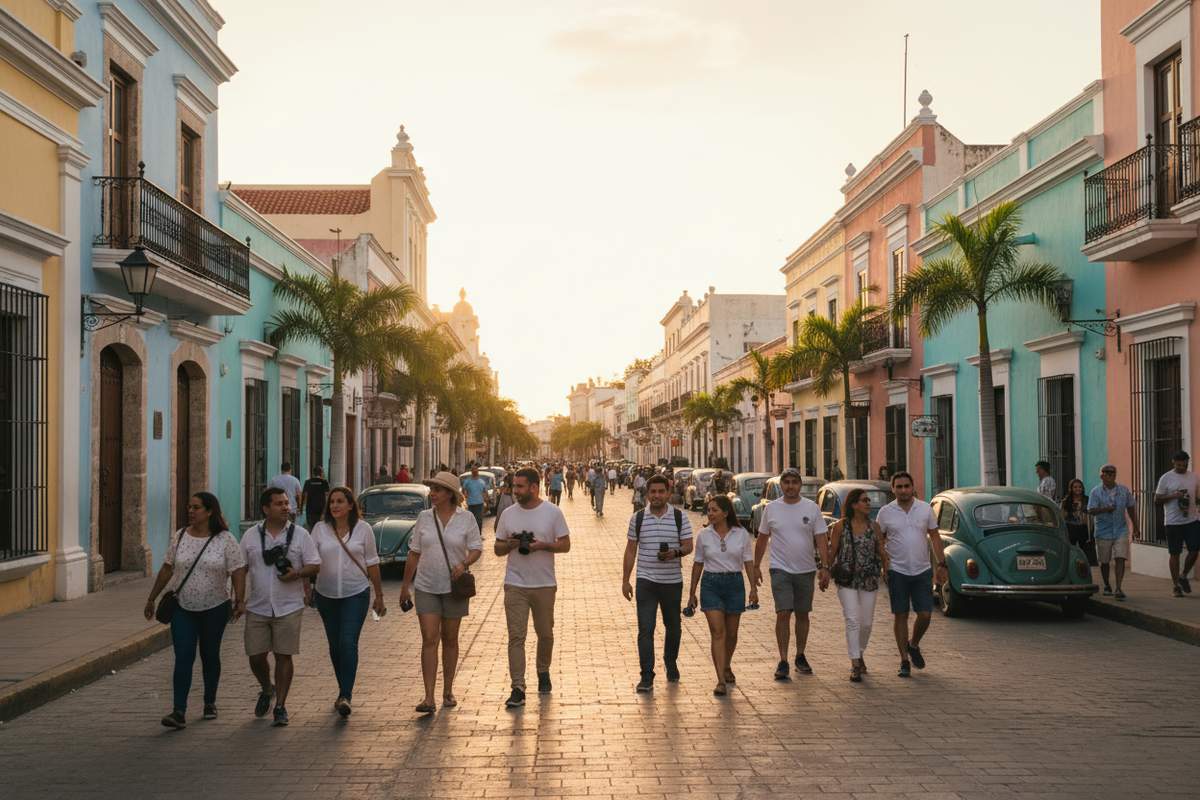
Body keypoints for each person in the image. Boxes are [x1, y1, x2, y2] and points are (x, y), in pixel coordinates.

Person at [144, 492, 247, 729]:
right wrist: (152, 598)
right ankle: (178, 710)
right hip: (183, 607)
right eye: (189, 507)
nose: (191, 511)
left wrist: (239, 600)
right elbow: (168, 568)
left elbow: (238, 570)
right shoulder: (180, 536)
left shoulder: (225, 539)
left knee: (210, 655)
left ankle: (209, 701)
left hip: (215, 607)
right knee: (183, 656)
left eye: (196, 507)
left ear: (210, 511)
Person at [400, 471, 483, 714]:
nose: (432, 494)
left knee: (450, 639)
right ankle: (428, 697)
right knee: (429, 638)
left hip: (454, 588)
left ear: (450, 494)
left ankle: (447, 690)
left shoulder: (466, 518)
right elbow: (414, 552)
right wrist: (405, 586)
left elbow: (476, 548)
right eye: (432, 489)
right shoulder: (424, 518)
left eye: (437, 490)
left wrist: (464, 563)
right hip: (426, 585)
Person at [241, 487, 321, 727]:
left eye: (287, 503)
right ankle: (267, 688)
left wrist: (296, 574)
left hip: (289, 606)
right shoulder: (251, 536)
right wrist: (236, 598)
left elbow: (315, 565)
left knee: (284, 655)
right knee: (255, 656)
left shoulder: (300, 535)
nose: (286, 507)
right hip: (257, 605)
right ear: (266, 508)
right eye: (279, 504)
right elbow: (239, 568)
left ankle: (281, 706)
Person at [495, 467, 571, 708]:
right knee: (516, 637)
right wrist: (510, 543)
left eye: (519, 486)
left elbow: (565, 545)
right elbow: (497, 549)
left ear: (534, 487)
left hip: (544, 585)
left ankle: (543, 670)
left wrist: (543, 546)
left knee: (545, 634)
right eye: (514, 486)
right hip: (515, 584)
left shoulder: (553, 513)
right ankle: (517, 686)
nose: (515, 490)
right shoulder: (508, 514)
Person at [310, 487, 386, 718]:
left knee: (348, 642)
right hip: (326, 596)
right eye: (331, 501)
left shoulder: (364, 530)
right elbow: (311, 560)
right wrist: (305, 586)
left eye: (340, 501)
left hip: (356, 593)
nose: (335, 505)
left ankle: (345, 695)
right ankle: (342, 689)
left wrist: (380, 595)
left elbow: (372, 562)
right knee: (335, 646)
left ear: (351, 505)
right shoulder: (319, 529)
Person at [753, 468, 831, 680]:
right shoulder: (772, 509)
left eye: (793, 482)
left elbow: (821, 539)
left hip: (806, 570)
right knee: (783, 612)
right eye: (786, 482)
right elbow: (762, 538)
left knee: (803, 613)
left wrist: (825, 567)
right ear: (781, 485)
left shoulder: (812, 508)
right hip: (780, 569)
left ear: (800, 485)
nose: (790, 486)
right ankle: (783, 659)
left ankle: (800, 655)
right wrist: (755, 566)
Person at [622, 475, 694, 692]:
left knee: (673, 627)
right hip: (646, 581)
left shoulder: (680, 517)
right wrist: (625, 580)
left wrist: (675, 553)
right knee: (645, 628)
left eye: (661, 492)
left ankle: (670, 661)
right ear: (647, 494)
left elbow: (689, 545)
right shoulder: (638, 518)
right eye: (653, 492)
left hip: (672, 582)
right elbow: (631, 549)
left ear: (668, 494)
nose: (657, 496)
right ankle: (646, 675)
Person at [876, 472, 947, 678]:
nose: (903, 490)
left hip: (922, 570)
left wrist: (941, 564)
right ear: (893, 489)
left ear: (912, 487)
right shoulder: (885, 512)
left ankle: (913, 644)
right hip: (897, 571)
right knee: (901, 615)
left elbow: (934, 536)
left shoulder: (925, 509)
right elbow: (880, 539)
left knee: (925, 614)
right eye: (899, 487)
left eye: (906, 486)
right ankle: (904, 660)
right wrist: (884, 563)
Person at [687, 494, 757, 697]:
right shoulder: (704, 535)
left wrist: (753, 588)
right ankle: (720, 680)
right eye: (709, 510)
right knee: (718, 632)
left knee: (732, 633)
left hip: (735, 584)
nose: (710, 513)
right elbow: (698, 563)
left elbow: (748, 562)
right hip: (711, 584)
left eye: (714, 510)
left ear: (726, 513)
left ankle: (726, 665)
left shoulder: (741, 533)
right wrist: (692, 593)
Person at [828, 488, 887, 682]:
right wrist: (824, 570)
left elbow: (881, 551)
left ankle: (860, 651)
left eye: (868, 500)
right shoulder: (840, 526)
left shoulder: (875, 527)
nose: (868, 503)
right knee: (852, 619)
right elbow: (832, 550)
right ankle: (855, 663)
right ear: (854, 505)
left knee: (867, 623)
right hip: (847, 580)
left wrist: (887, 570)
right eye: (864, 500)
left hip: (869, 579)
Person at [1088, 464, 1139, 599]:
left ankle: (1118, 587)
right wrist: (1105, 509)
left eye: (1113, 473)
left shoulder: (1123, 490)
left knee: (1120, 557)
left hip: (1120, 529)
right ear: (1102, 475)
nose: (1111, 475)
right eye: (1108, 473)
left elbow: (1131, 508)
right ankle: (1106, 584)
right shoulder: (1095, 492)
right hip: (1103, 531)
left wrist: (1136, 527)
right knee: (1104, 561)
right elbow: (1090, 510)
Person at [1155, 451, 1200, 598]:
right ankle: (1176, 586)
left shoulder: (1194, 477)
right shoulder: (1166, 478)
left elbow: (1197, 498)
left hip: (1192, 519)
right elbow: (1157, 500)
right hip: (1173, 522)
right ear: (1173, 463)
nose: (1182, 467)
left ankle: (1183, 575)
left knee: (1195, 549)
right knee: (1175, 553)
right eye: (1179, 465)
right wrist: (1173, 496)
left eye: (1184, 464)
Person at [1061, 479, 1095, 565]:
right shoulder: (1066, 500)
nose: (1078, 489)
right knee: (1070, 550)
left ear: (1083, 488)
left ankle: (1084, 568)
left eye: (1080, 487)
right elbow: (1062, 516)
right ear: (1071, 488)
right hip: (1070, 527)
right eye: (1075, 487)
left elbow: (1090, 516)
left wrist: (1090, 530)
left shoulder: (1087, 500)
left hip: (1083, 528)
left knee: (1085, 551)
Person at [300, 466, 330, 532]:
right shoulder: (324, 482)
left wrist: (301, 508)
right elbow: (328, 496)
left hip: (310, 508)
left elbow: (303, 495)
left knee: (311, 527)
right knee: (320, 527)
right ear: (321, 473)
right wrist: (327, 509)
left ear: (313, 473)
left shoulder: (308, 482)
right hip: (321, 508)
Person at [462, 466, 487, 532]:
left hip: (479, 504)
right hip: (470, 504)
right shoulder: (467, 481)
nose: (475, 472)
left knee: (479, 520)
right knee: (470, 520)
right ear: (472, 472)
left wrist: (486, 500)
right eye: (473, 471)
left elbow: (485, 491)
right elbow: (463, 489)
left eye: (476, 471)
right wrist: (465, 495)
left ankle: (478, 534)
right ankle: (471, 533)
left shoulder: (481, 482)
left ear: (478, 472)